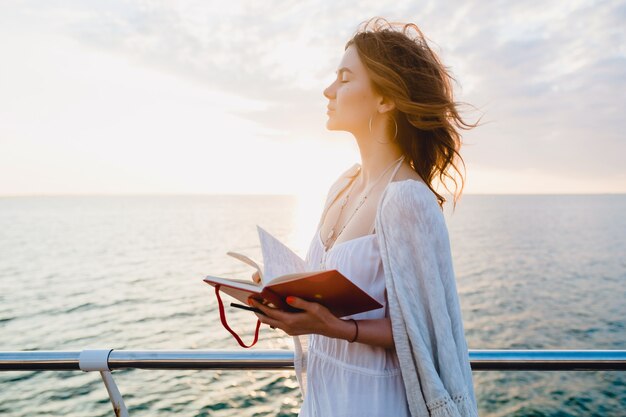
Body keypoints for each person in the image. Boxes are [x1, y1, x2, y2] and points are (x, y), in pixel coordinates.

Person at [248, 17, 480, 417]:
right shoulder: (342, 184)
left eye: (344, 77)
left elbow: (427, 333)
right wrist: (280, 288)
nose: (328, 89)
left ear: (385, 99)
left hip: (373, 399)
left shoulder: (407, 198)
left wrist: (333, 327)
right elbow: (331, 285)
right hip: (323, 397)